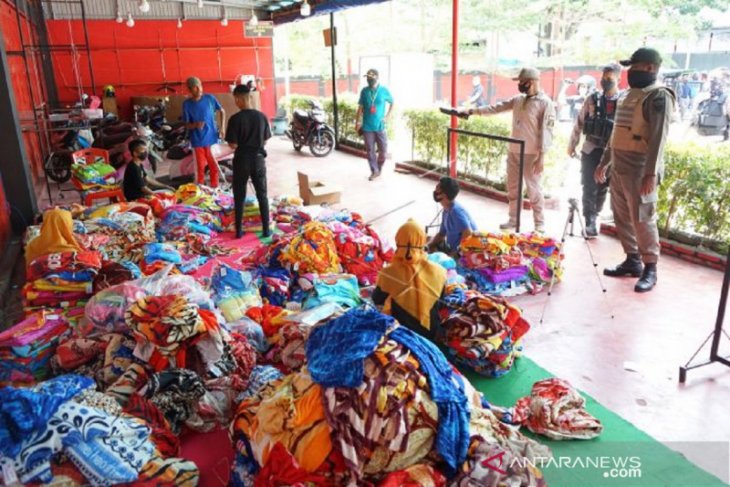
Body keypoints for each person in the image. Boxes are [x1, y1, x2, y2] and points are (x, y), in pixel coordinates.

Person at [595, 48, 676, 293]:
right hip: (620, 166)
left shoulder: (659, 96)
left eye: (636, 66)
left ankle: (650, 267)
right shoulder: (629, 95)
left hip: (641, 168)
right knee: (621, 216)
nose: (630, 72)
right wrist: (604, 162)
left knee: (643, 218)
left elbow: (658, 138)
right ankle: (633, 260)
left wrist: (651, 173)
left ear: (651, 68)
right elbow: (616, 133)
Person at [460, 67, 556, 233]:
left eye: (522, 82)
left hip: (531, 154)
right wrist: (472, 111)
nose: (519, 85)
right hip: (513, 150)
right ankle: (513, 219)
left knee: (534, 190)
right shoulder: (518, 99)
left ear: (531, 82)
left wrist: (541, 157)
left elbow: (547, 132)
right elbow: (496, 108)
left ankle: (539, 223)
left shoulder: (545, 103)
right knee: (513, 188)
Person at [568, 64, 622, 237]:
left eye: (610, 77)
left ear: (618, 79)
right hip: (591, 149)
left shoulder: (624, 101)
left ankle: (596, 214)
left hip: (613, 152)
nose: (605, 80)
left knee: (604, 186)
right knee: (589, 185)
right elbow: (579, 122)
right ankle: (590, 220)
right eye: (604, 77)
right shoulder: (592, 98)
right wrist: (572, 143)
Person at [373, 219, 447, 341]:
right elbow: (441, 302)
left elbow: (377, 299)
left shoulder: (388, 272)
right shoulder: (439, 271)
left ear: (398, 241)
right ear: (422, 242)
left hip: (404, 334)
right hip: (432, 331)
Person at [225, 84, 272, 239]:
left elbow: (233, 145)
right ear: (250, 97)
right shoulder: (262, 116)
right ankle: (266, 230)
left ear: (238, 99)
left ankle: (239, 231)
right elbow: (265, 140)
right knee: (262, 194)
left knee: (239, 195)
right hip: (258, 160)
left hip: (242, 160)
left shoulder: (235, 119)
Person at [182, 76, 226, 188]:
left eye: (200, 86)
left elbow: (222, 111)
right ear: (190, 89)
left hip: (212, 139)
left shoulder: (210, 98)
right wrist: (195, 125)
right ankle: (201, 190)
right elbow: (186, 124)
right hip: (197, 141)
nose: (199, 89)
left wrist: (222, 128)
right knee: (200, 168)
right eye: (195, 88)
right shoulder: (186, 104)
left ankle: (214, 188)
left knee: (213, 166)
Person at [355, 69, 394, 181]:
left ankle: (379, 167)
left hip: (380, 126)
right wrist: (357, 122)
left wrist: (387, 117)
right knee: (370, 150)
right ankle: (374, 170)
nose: (369, 79)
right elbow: (360, 108)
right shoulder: (364, 91)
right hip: (367, 127)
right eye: (367, 78)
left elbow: (392, 103)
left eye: (371, 77)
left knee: (384, 150)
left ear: (377, 77)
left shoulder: (383, 90)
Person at [426, 176, 477, 255]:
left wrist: (453, 256)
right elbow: (441, 234)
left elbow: (468, 235)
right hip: (451, 248)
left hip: (463, 253)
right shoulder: (446, 210)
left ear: (444, 195)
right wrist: (427, 246)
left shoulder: (456, 212)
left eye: (437, 188)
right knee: (427, 239)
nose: (435, 190)